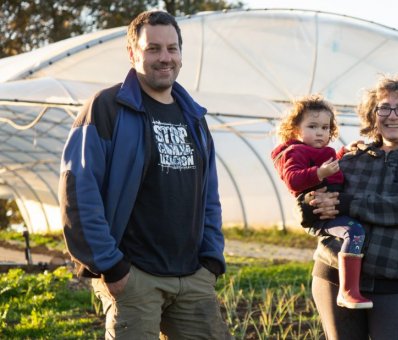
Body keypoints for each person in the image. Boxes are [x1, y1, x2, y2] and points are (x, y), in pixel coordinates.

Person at [59, 10, 231, 339]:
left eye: (172, 48)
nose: (165, 58)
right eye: (153, 48)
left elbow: (209, 194)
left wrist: (211, 259)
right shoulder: (106, 108)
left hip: (192, 274)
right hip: (134, 276)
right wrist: (111, 266)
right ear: (133, 53)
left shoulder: (194, 116)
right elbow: (79, 191)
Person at [301, 75, 398, 339]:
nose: (392, 115)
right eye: (384, 108)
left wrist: (349, 204)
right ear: (374, 115)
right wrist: (309, 204)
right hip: (333, 274)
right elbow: (310, 201)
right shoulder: (350, 159)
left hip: (395, 280)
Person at [271, 95, 373, 309]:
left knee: (355, 232)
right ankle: (347, 291)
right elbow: (292, 179)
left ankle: (351, 286)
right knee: (354, 233)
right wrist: (319, 173)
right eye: (312, 126)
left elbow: (330, 162)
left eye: (325, 128)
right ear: (295, 129)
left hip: (333, 208)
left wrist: (345, 152)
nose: (320, 132)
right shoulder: (294, 152)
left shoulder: (324, 151)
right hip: (318, 213)